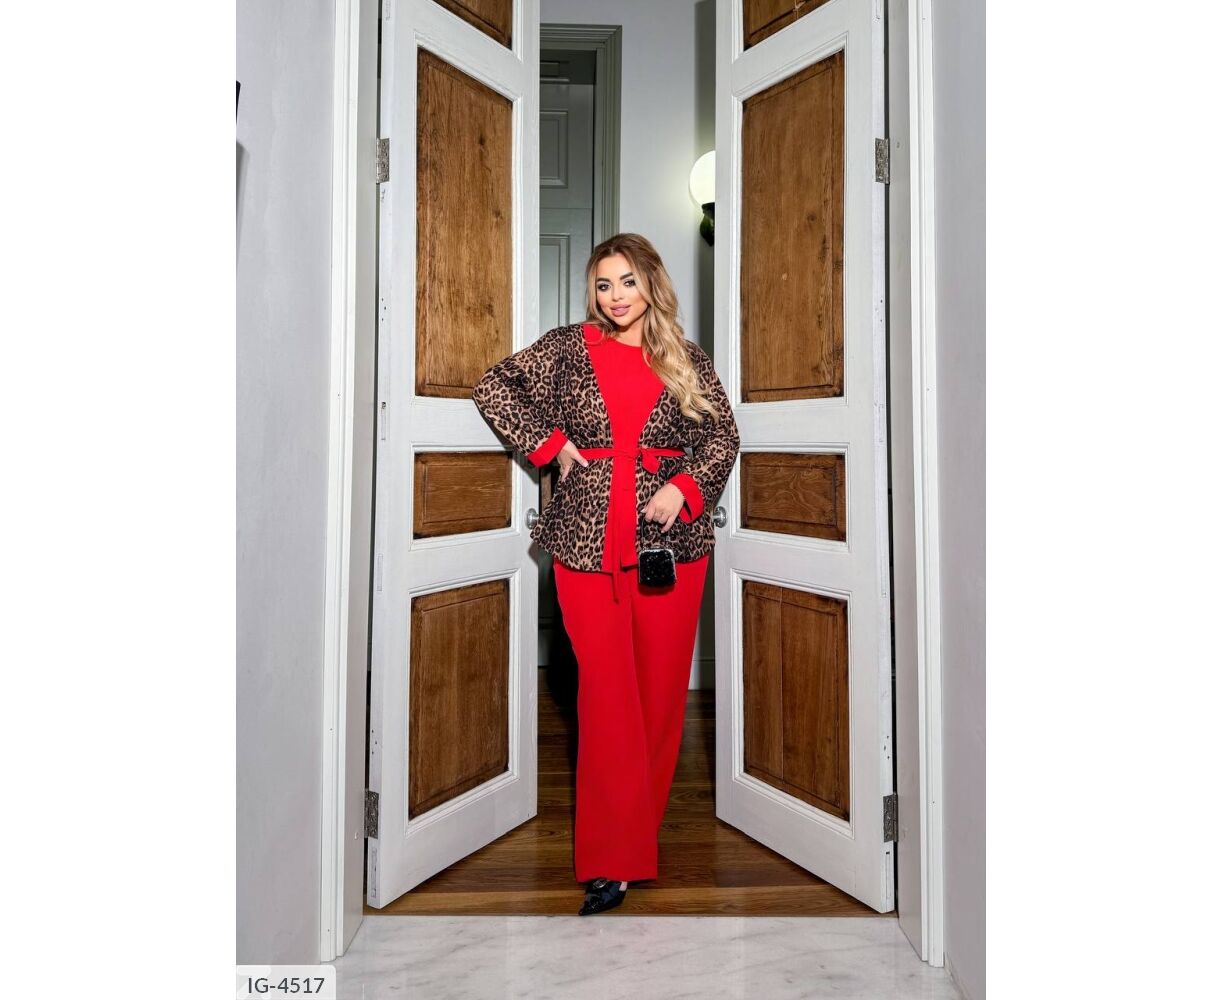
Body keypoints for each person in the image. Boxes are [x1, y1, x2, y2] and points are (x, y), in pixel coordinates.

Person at [472, 233, 740, 915]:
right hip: (584, 542)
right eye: (602, 284)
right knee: (606, 695)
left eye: (626, 281)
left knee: (657, 696)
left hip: (669, 546)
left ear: (650, 284)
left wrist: (683, 486)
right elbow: (492, 387)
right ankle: (610, 861)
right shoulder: (568, 348)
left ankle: (631, 841)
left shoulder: (685, 358)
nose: (615, 296)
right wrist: (551, 445)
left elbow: (722, 436)